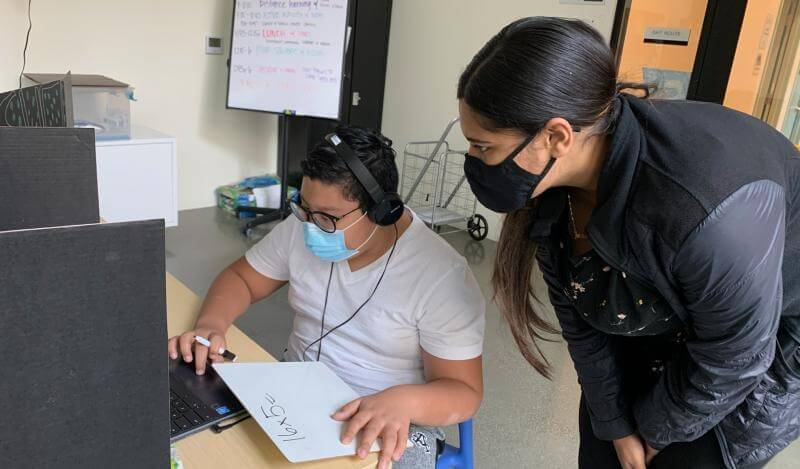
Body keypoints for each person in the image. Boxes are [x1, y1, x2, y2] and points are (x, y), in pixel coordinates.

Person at [457, 16, 800, 469]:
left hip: (764, 341)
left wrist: (656, 435)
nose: (473, 161)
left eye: (483, 147)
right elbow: (580, 318)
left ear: (556, 136)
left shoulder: (701, 206)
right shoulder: (550, 187)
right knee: (606, 446)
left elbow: (736, 354)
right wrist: (617, 426)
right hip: (665, 308)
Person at [168, 126, 485, 469]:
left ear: (381, 211)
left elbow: (463, 392)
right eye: (304, 208)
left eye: (328, 217)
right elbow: (241, 278)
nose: (310, 225)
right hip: (292, 392)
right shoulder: (305, 224)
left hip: (393, 418)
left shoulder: (440, 276)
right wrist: (211, 325)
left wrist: (402, 401)